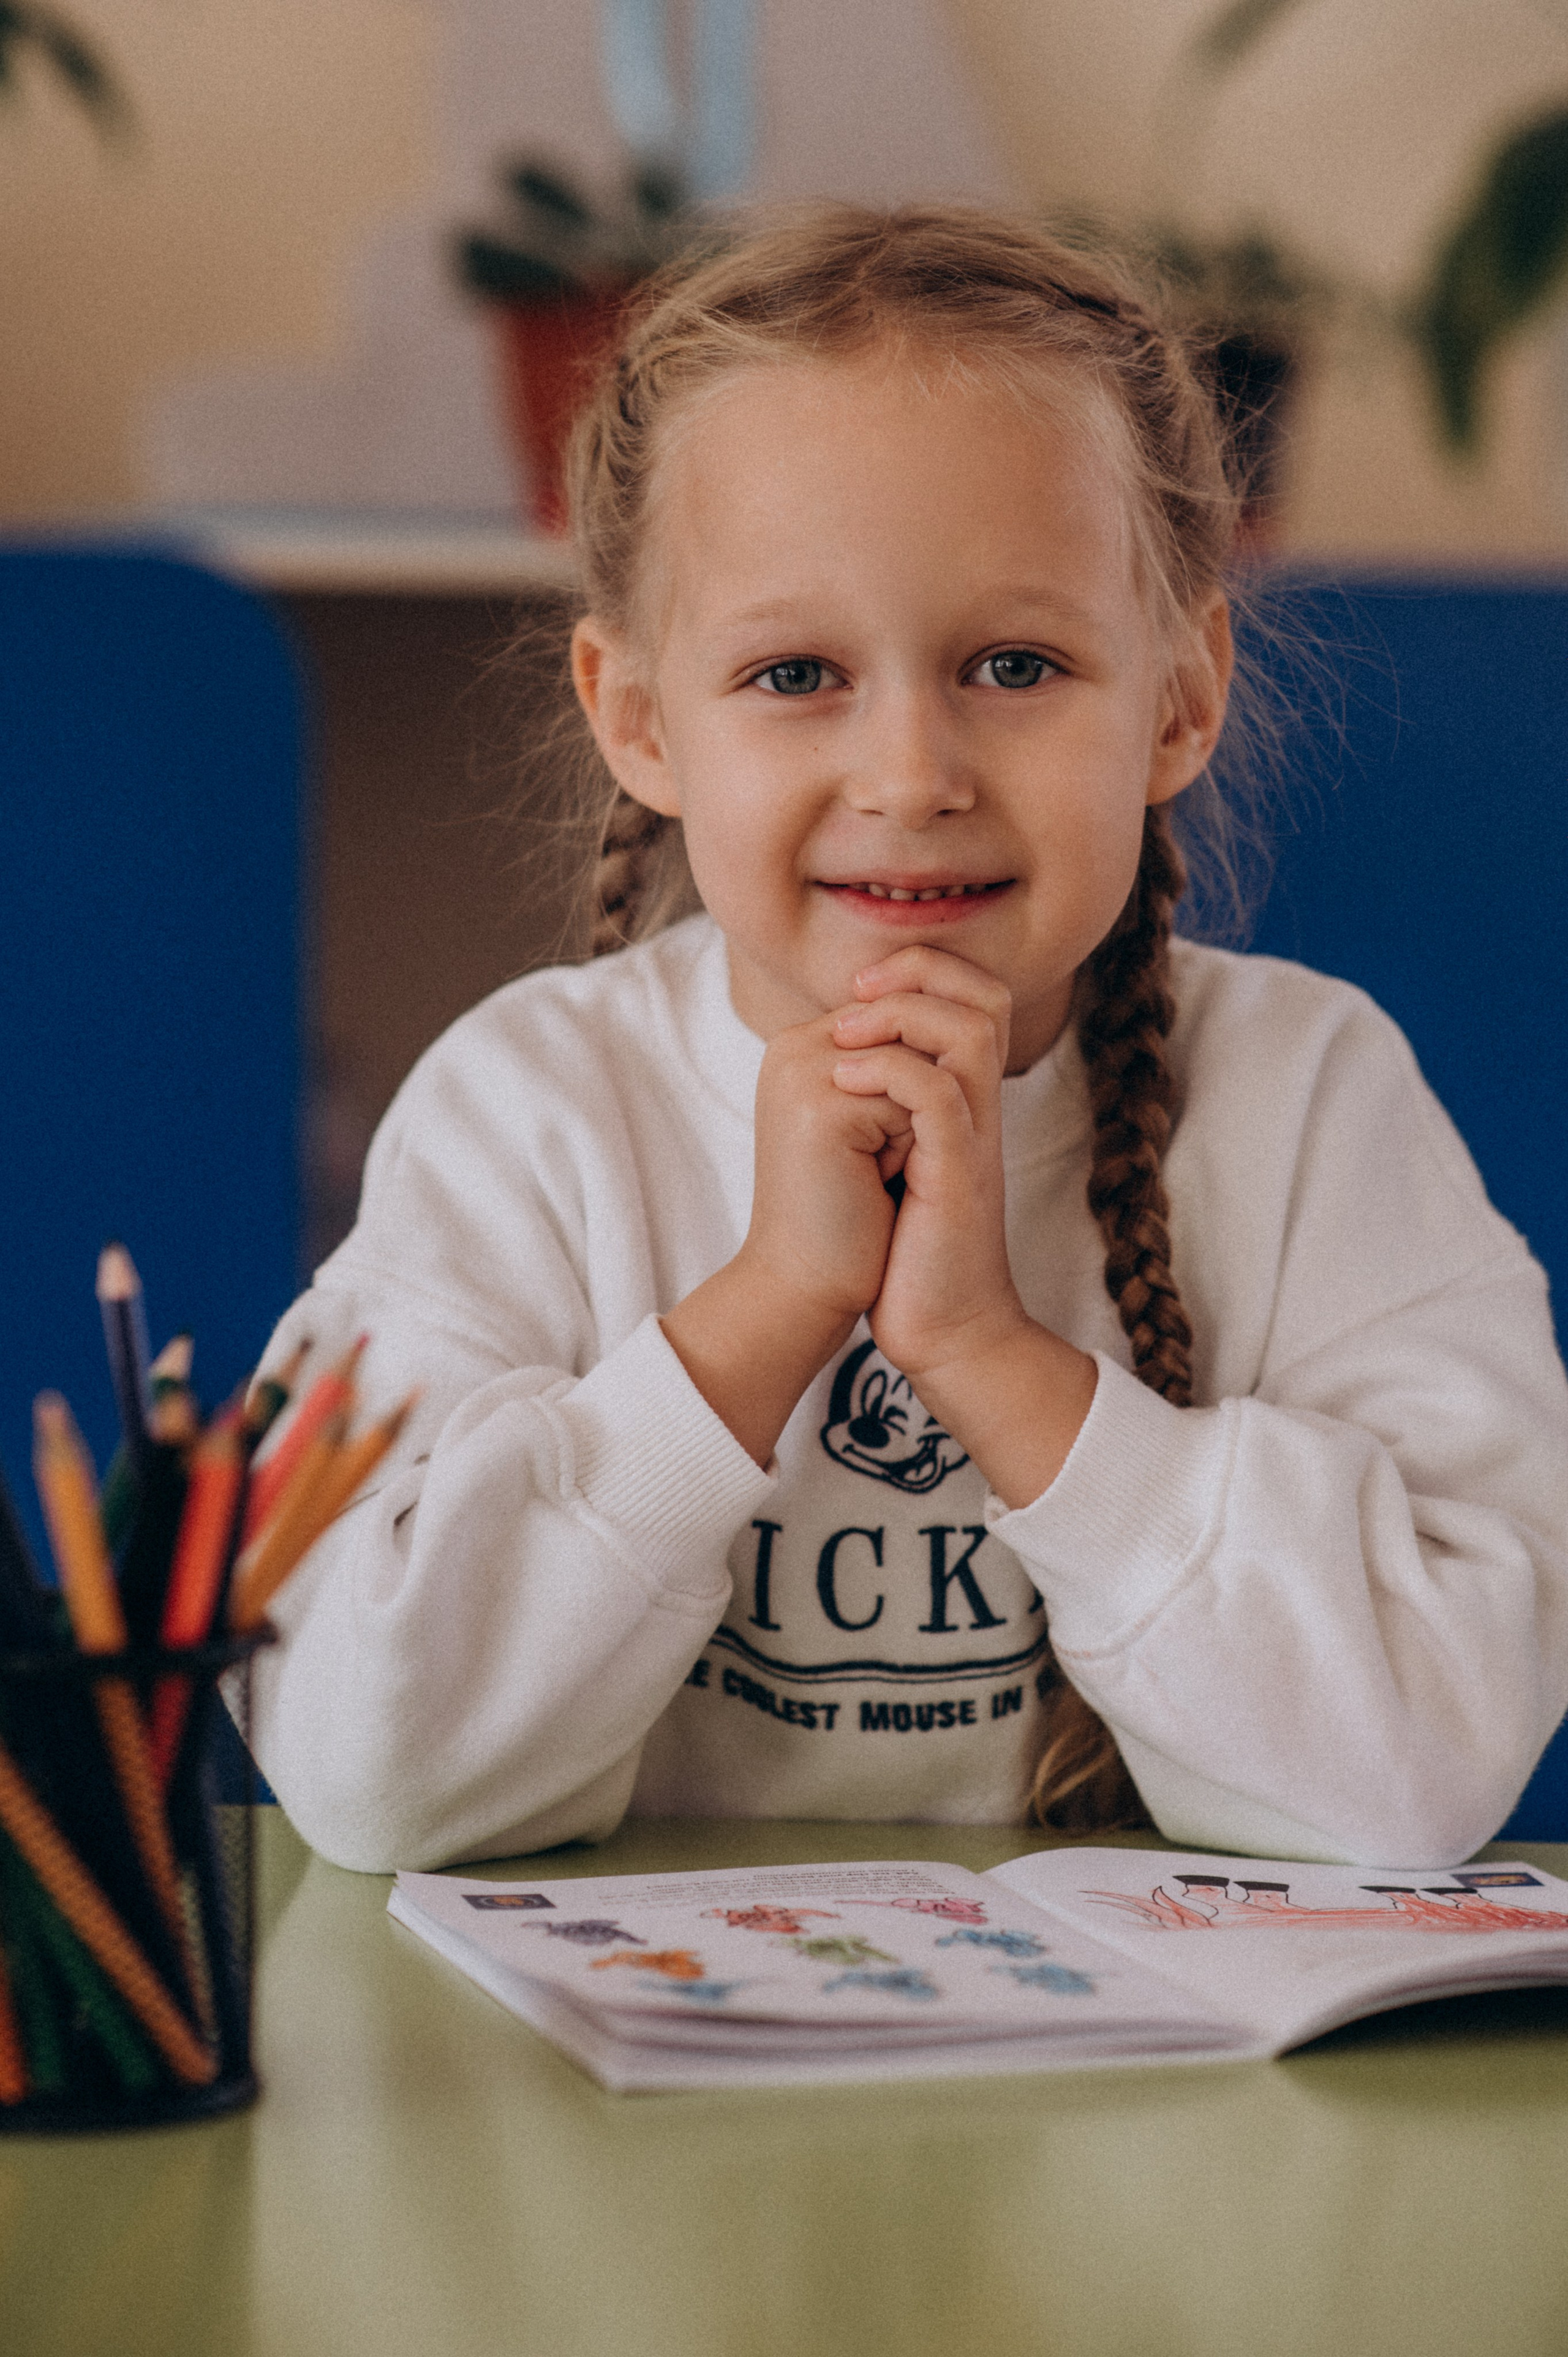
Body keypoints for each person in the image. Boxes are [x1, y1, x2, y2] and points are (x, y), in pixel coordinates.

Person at [247, 205, 1568, 1875]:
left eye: (1014, 664)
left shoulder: (1315, 1099)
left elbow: (1419, 1778)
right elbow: (370, 1767)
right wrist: (760, 1316)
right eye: (797, 671)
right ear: (640, 719)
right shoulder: (529, 1112)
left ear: (1177, 695)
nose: (911, 774)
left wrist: (1000, 1366)